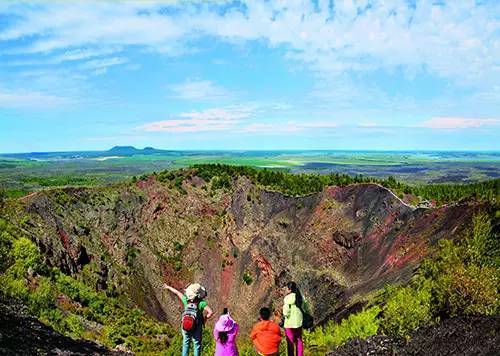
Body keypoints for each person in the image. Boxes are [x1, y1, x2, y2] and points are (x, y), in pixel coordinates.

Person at [163, 283, 213, 356]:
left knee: (186, 343)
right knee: (197, 344)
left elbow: (177, 292)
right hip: (197, 326)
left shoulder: (185, 300)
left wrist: (168, 287)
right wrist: (205, 319)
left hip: (186, 324)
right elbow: (210, 312)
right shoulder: (201, 303)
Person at [282, 281, 309, 356]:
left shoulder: (287, 298)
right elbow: (306, 308)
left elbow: (286, 313)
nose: (286, 290)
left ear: (289, 289)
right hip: (299, 321)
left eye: (287, 288)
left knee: (290, 342)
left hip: (289, 323)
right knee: (299, 340)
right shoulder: (300, 296)